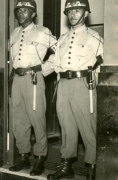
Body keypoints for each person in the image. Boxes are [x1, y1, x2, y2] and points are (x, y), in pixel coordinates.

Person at [45, 0, 104, 180]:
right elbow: (53, 63)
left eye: (77, 10)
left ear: (85, 14)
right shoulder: (62, 39)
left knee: (88, 126)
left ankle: (92, 166)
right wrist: (33, 70)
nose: (72, 14)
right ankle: (66, 165)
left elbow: (103, 63)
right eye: (70, 11)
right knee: (66, 126)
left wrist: (94, 82)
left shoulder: (94, 38)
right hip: (62, 84)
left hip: (83, 84)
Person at [9, 0, 57, 176]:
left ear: (34, 13)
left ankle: (40, 157)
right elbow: (14, 60)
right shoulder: (14, 34)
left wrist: (43, 68)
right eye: (19, 10)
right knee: (19, 120)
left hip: (34, 79)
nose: (21, 13)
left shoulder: (43, 32)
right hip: (17, 79)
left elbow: (60, 51)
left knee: (37, 118)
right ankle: (23, 156)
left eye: (26, 10)